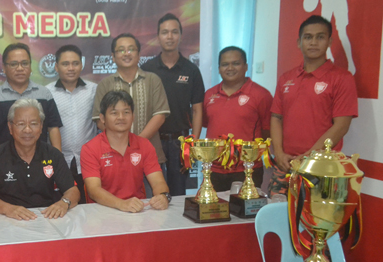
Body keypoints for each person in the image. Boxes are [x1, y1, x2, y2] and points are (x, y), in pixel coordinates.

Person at [269, 15, 358, 195]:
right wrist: (279, 153)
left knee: (315, 222)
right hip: (285, 165)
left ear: (329, 41)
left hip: (322, 167)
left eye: (320, 37)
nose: (313, 42)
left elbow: (341, 126)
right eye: (308, 37)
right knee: (276, 219)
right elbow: (276, 117)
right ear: (299, 42)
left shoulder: (342, 78)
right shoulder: (287, 78)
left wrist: (310, 156)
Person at [92, 33, 170, 196]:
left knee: (153, 206)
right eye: (121, 50)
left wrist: (136, 144)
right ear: (113, 56)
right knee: (116, 207)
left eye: (131, 49)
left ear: (139, 54)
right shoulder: (105, 84)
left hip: (150, 156)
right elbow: (99, 120)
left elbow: (159, 115)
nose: (126, 53)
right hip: (113, 159)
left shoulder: (152, 80)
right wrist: (122, 146)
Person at [0, 99, 80, 220]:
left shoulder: (53, 154)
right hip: (8, 218)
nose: (27, 130)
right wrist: (7, 208)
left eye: (34, 123)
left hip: (46, 217)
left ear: (41, 127)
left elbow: (72, 190)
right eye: (21, 124)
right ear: (10, 127)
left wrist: (64, 203)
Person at [141, 13, 206, 196]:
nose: (169, 37)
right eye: (165, 32)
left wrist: (193, 141)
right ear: (158, 36)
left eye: (174, 32)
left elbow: (197, 109)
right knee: (154, 192)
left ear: (181, 36)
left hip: (180, 142)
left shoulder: (191, 70)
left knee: (178, 193)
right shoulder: (147, 69)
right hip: (153, 140)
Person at [82, 91, 170, 213]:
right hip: (102, 212)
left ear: (133, 117)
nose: (121, 117)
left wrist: (163, 196)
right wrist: (121, 204)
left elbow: (158, 181)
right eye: (114, 113)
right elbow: (94, 190)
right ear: (102, 118)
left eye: (126, 112)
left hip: (137, 211)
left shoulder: (144, 145)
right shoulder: (90, 149)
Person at [203, 46, 273, 191]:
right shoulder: (209, 94)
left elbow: (267, 131)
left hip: (247, 169)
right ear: (218, 68)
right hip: (214, 169)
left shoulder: (261, 95)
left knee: (244, 213)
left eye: (236, 63)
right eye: (225, 64)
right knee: (215, 212)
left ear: (246, 66)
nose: (230, 68)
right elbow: (206, 123)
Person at [0, 43, 63, 153]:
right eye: (14, 64)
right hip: (5, 162)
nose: (20, 68)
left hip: (39, 160)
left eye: (24, 63)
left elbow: (53, 128)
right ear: (4, 68)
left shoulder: (44, 94)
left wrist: (57, 158)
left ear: (30, 66)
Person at [46, 45, 98, 204]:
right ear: (56, 66)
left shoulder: (93, 90)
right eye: (65, 64)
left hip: (89, 160)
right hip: (59, 159)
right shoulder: (47, 92)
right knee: (60, 206)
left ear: (81, 65)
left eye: (75, 63)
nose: (71, 68)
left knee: (88, 207)